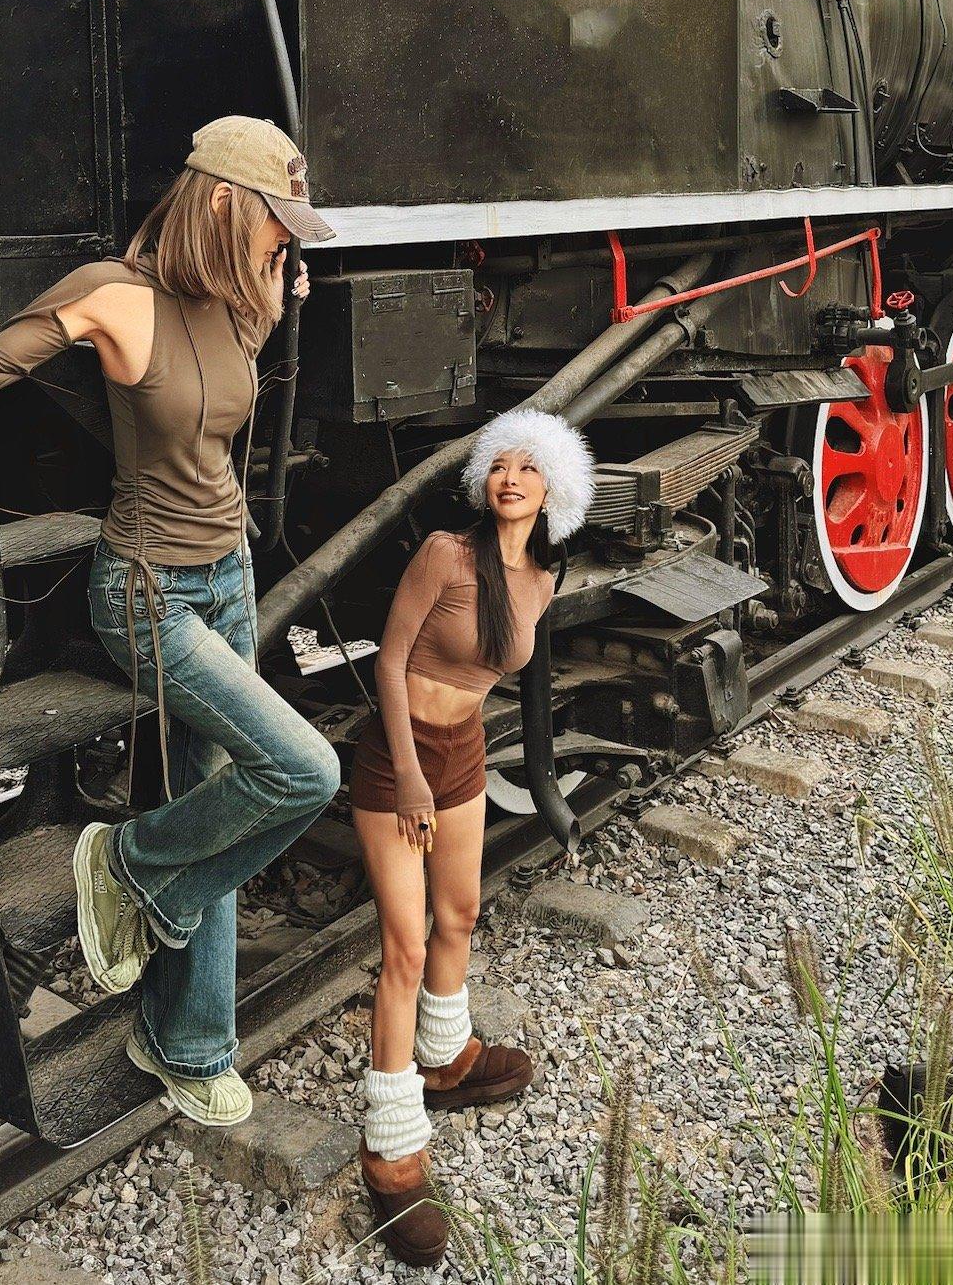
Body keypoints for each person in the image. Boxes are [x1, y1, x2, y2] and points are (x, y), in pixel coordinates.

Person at [0, 115, 342, 1128]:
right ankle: (125, 866)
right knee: (304, 772)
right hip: (148, 592)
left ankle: (187, 1043)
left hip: (229, 574)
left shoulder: (244, 295)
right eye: (275, 224)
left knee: (218, 796)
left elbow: (225, 394)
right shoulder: (115, 295)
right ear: (222, 204)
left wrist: (277, 287)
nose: (283, 244)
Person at [349, 406, 596, 1266]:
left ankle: (446, 1059)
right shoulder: (444, 554)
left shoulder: (542, 579)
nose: (511, 479)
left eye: (529, 468)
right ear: (483, 479)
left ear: (554, 490)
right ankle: (390, 1146)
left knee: (459, 915)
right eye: (500, 465)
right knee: (405, 948)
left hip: (463, 754)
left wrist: (445, 772)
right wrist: (410, 773)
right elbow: (389, 660)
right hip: (399, 759)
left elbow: (496, 673)